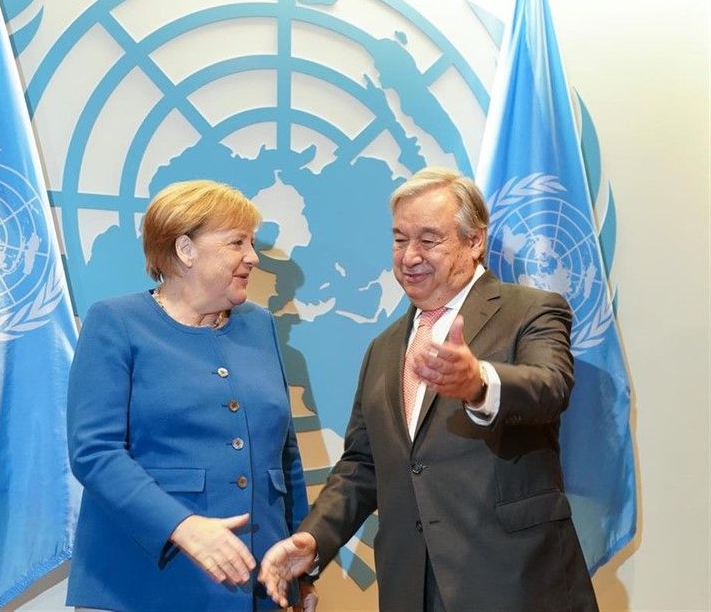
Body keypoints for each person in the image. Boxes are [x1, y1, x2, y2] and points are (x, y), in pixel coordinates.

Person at [259, 168, 598, 612]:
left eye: (429, 240)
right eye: (400, 240)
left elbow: (550, 386)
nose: (409, 256)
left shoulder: (530, 310)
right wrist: (313, 539)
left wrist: (478, 384)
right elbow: (363, 465)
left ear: (474, 241)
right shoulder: (383, 348)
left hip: (515, 584)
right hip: (411, 589)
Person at [66, 180, 316, 611]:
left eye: (251, 243)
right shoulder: (116, 322)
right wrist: (181, 526)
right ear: (185, 250)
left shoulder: (260, 325)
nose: (253, 258)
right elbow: (95, 452)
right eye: (237, 242)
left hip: (263, 586)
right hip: (151, 583)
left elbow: (284, 454)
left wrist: (301, 571)